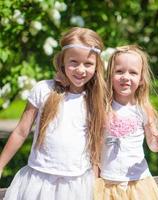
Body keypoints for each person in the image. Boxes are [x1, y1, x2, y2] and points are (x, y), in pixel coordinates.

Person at [0, 27, 107, 200]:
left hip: (77, 184)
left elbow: (96, 142)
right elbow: (21, 131)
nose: (81, 70)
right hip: (39, 181)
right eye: (74, 62)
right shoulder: (44, 90)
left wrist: (96, 180)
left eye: (88, 64)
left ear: (96, 66)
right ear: (62, 61)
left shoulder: (95, 99)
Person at [93, 45, 158, 200]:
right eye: (119, 71)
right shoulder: (103, 107)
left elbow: (152, 145)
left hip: (138, 182)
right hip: (109, 182)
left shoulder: (143, 109)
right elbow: (96, 145)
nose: (125, 77)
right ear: (110, 75)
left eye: (133, 73)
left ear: (141, 79)